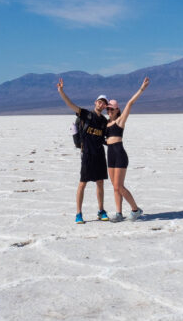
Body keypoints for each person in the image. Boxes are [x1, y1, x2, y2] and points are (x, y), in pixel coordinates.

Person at [57, 78, 110, 224]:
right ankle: (78, 214)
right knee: (83, 183)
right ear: (95, 102)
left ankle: (101, 210)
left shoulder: (104, 122)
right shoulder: (86, 114)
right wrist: (61, 91)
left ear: (106, 106)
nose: (101, 104)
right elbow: (70, 105)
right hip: (87, 154)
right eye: (100, 101)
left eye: (104, 103)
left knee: (100, 183)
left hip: (99, 154)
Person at [104, 76, 150, 221]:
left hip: (119, 153)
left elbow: (130, 103)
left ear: (117, 110)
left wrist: (141, 89)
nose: (109, 111)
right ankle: (118, 213)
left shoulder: (120, 120)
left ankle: (135, 209)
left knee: (119, 185)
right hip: (110, 154)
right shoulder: (105, 124)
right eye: (108, 109)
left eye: (112, 109)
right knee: (114, 186)